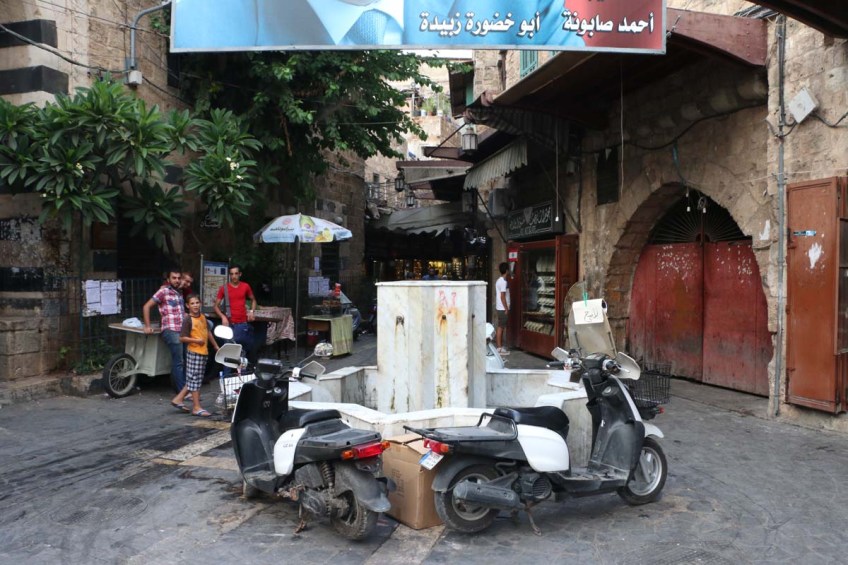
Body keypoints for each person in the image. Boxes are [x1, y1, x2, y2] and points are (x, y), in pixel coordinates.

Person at [171, 295, 219, 417]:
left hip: (203, 352)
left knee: (194, 379)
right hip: (194, 352)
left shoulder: (203, 317)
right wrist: (196, 341)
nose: (195, 305)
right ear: (188, 305)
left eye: (197, 302)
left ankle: (178, 399)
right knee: (195, 380)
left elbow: (207, 332)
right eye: (192, 303)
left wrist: (215, 346)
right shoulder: (188, 320)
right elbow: (182, 338)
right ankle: (196, 407)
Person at [142, 270, 186, 390]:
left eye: (178, 278)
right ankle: (182, 392)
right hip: (171, 330)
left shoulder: (179, 293)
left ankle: (185, 389)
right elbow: (146, 306)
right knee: (179, 362)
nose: (176, 280)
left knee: (185, 360)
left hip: (182, 331)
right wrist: (147, 326)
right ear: (169, 279)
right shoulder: (163, 291)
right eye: (174, 278)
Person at [214, 265, 257, 357]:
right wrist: (223, 316)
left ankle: (242, 372)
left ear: (240, 274)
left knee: (242, 353)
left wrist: (251, 311)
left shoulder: (245, 286)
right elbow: (216, 306)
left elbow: (253, 300)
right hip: (229, 324)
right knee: (228, 354)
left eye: (236, 273)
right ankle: (228, 372)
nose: (234, 276)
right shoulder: (224, 288)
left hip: (242, 324)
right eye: (232, 274)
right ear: (229, 275)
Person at [495, 262, 511, 355]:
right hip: (502, 308)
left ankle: (499, 346)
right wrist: (506, 308)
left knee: (501, 326)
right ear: (507, 271)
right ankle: (499, 348)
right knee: (501, 327)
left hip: (500, 307)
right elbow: (502, 296)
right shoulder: (503, 282)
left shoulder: (499, 280)